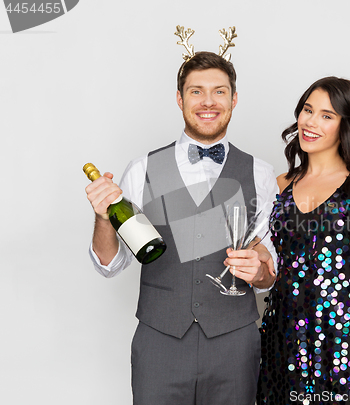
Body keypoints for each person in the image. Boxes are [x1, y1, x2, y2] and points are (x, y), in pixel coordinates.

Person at [85, 51, 277, 405]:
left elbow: (269, 271)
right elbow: (110, 265)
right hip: (159, 341)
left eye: (219, 92)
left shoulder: (261, 175)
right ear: (179, 99)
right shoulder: (141, 168)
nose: (208, 102)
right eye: (196, 91)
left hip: (234, 343)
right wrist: (102, 219)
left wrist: (260, 273)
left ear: (234, 99)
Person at [257, 77, 350, 405]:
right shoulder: (278, 185)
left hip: (349, 333)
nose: (310, 122)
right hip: (285, 332)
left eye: (326, 115)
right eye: (308, 110)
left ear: (346, 126)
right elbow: (265, 256)